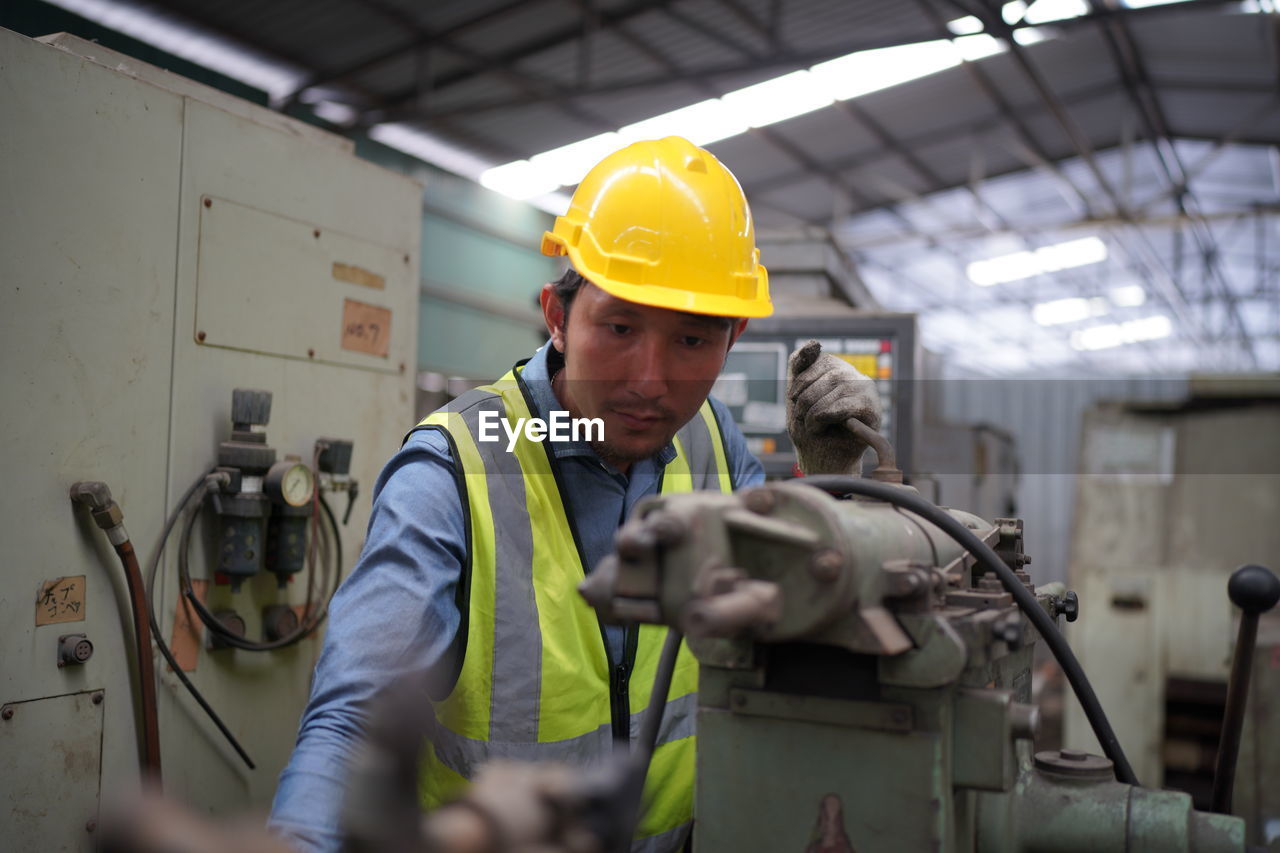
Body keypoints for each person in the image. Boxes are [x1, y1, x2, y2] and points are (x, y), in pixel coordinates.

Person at [268, 136, 880, 853]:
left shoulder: (714, 441)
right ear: (557, 317)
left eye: (691, 341)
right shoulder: (451, 473)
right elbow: (351, 726)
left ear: (734, 335)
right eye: (620, 327)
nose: (651, 379)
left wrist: (832, 482)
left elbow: (802, 613)